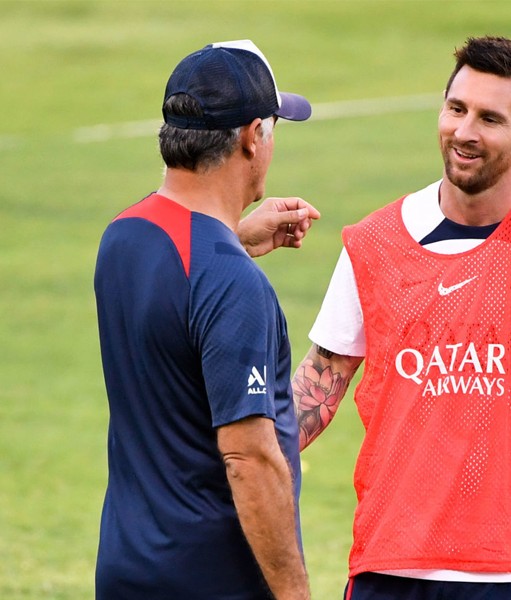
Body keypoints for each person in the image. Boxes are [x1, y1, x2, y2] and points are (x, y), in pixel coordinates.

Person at [292, 37, 511, 600]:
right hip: (390, 559)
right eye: (456, 109)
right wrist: (239, 455)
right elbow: (322, 377)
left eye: (489, 119)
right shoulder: (374, 242)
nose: (465, 132)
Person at [94, 40, 319, 600]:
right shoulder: (230, 281)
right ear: (252, 137)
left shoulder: (123, 236)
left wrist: (230, 240)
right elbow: (249, 458)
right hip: (214, 582)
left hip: (127, 570)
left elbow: (177, 291)